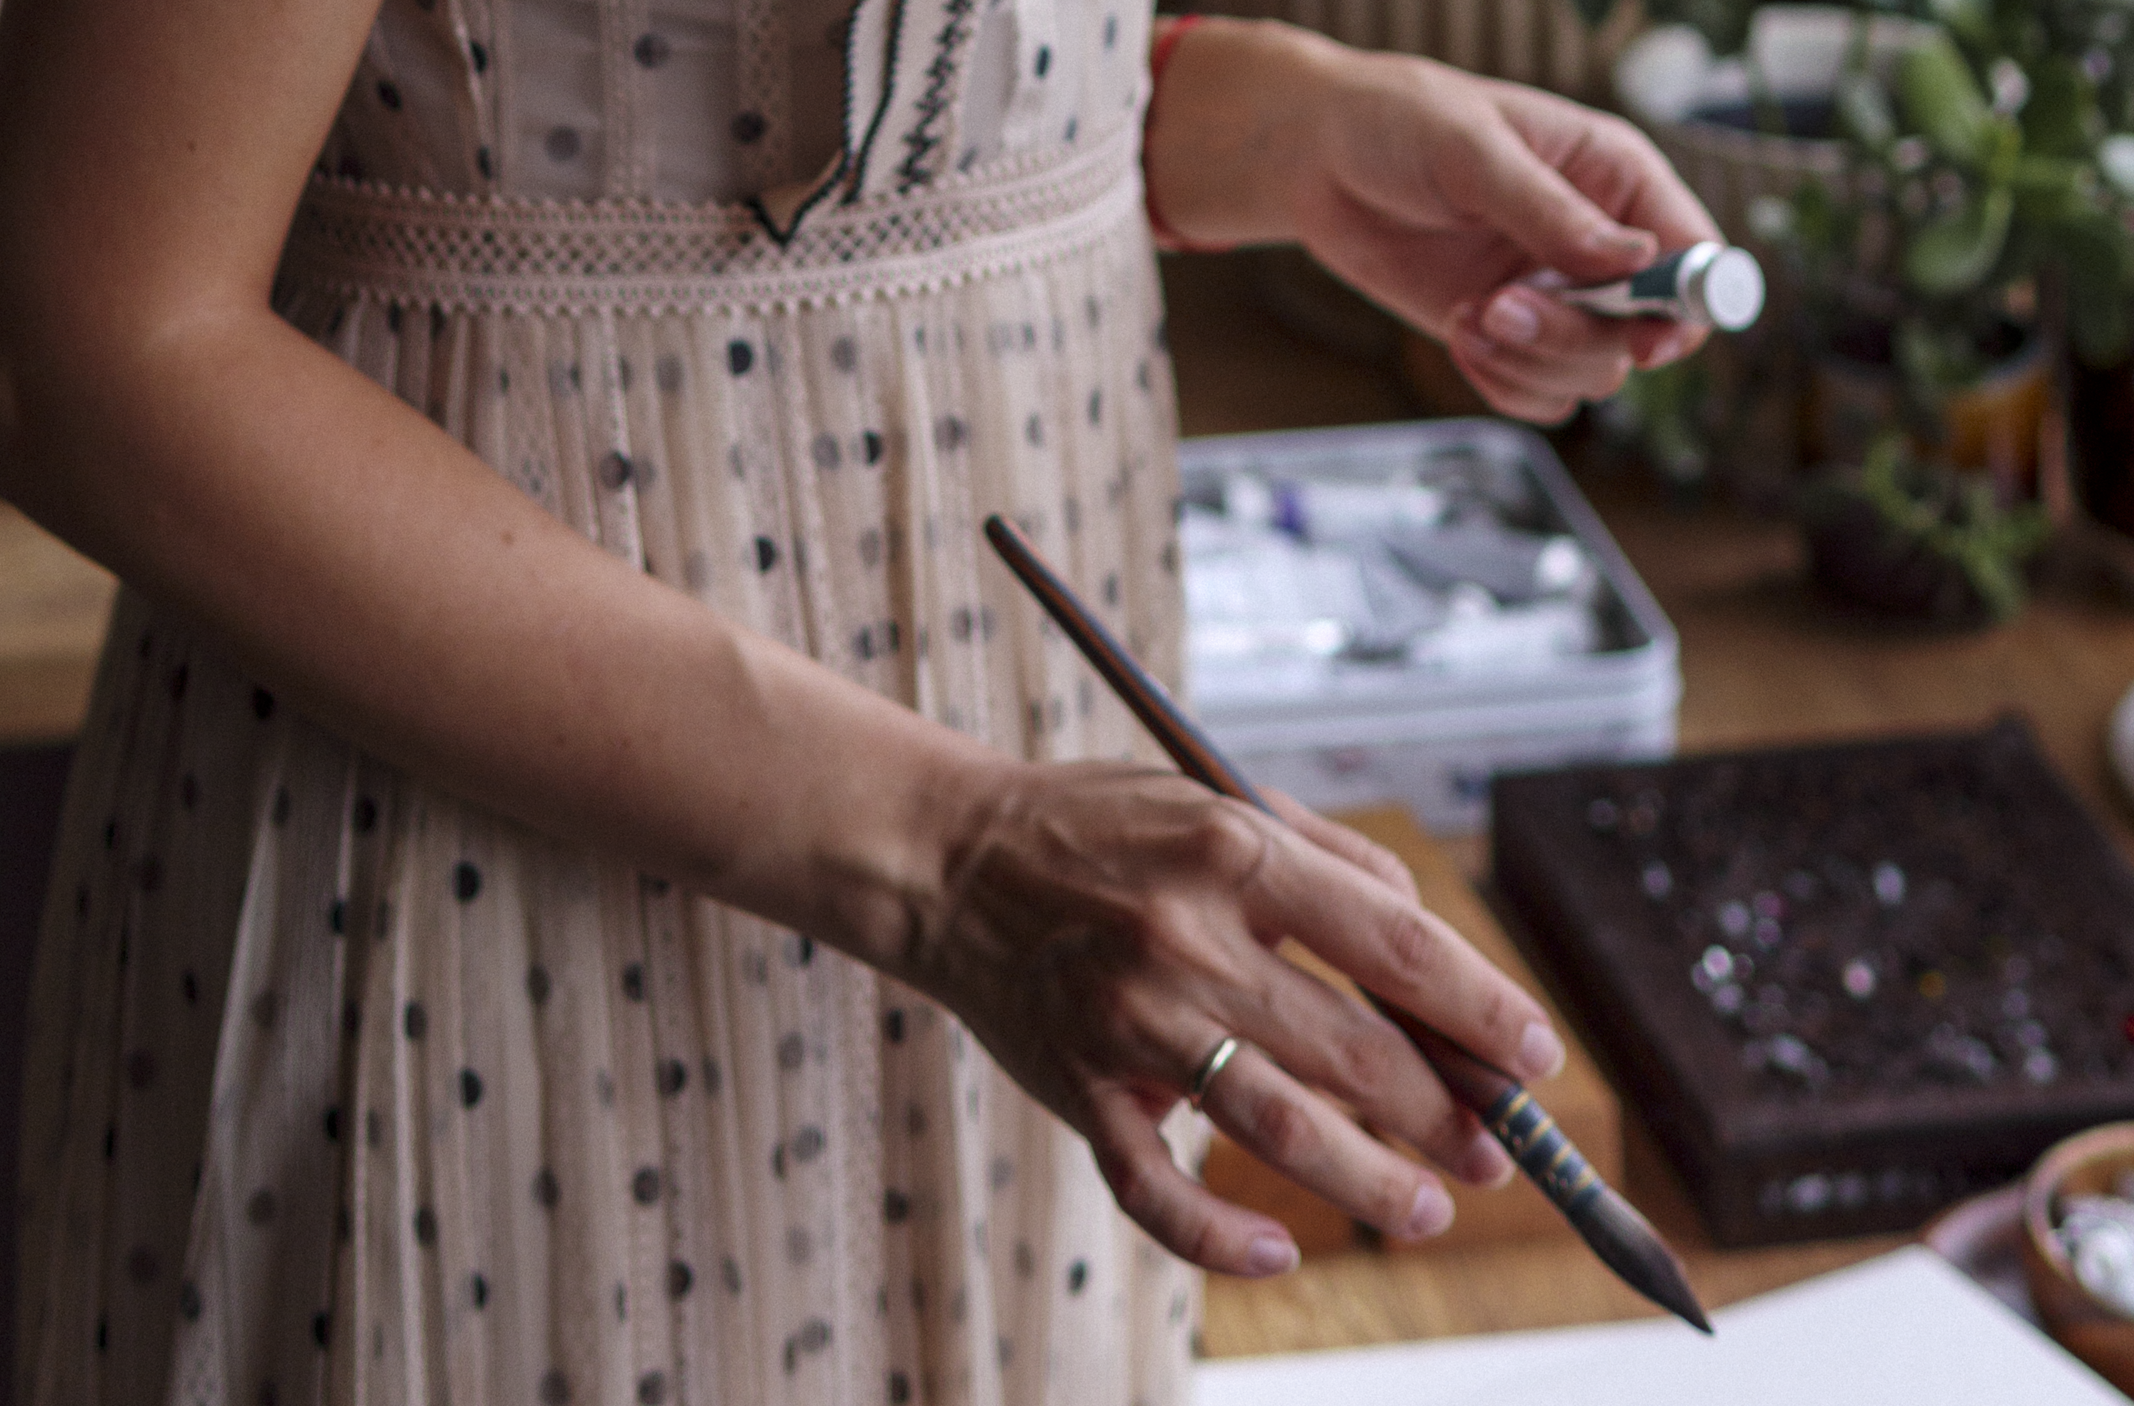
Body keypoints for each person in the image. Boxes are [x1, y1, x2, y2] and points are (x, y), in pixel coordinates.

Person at [0, 0, 1720, 1399]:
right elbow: (87, 345)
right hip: (478, 840)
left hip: (1053, 873)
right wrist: (946, 851)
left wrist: (1267, 123)